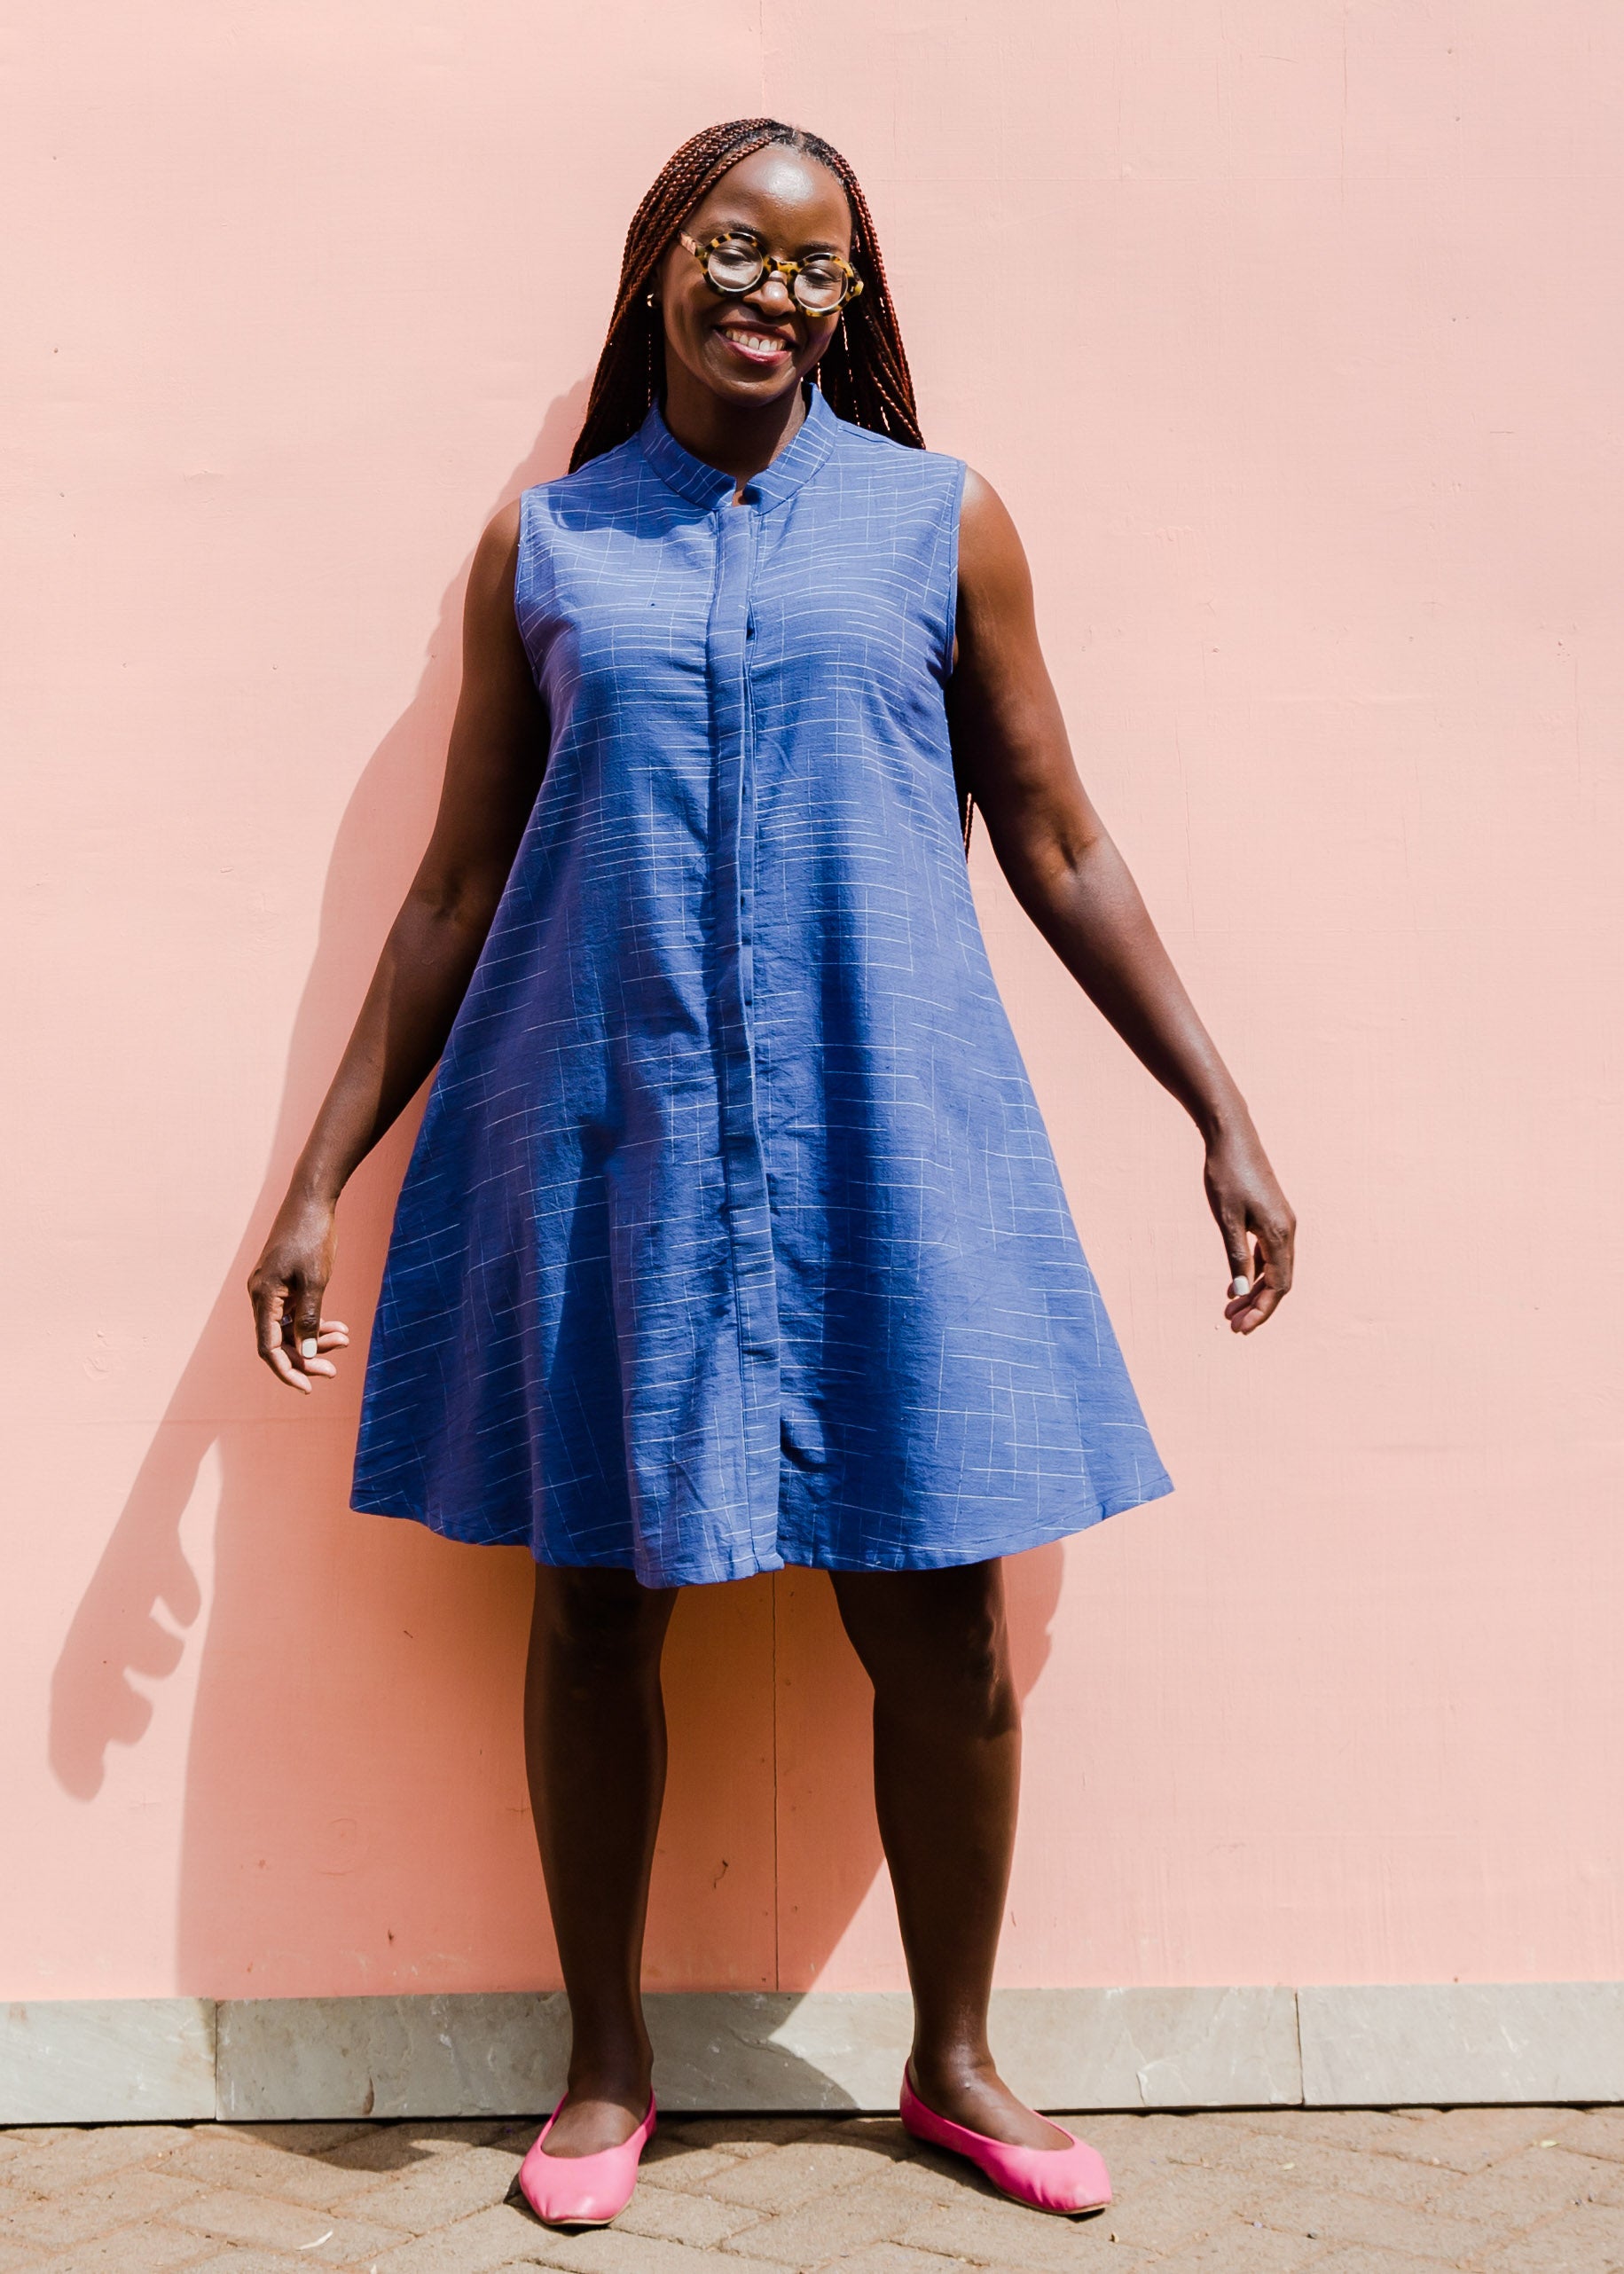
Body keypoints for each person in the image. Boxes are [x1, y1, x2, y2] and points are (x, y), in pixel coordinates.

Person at [247, 115, 1295, 2227]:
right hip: (603, 1136)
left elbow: (1059, 837)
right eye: (736, 249)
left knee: (943, 1621)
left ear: (853, 299)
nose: (769, 294)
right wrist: (313, 1173)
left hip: (885, 1137)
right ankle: (605, 2066)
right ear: (662, 264)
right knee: (593, 1604)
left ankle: (956, 2056)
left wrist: (1219, 1106)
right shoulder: (546, 545)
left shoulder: (939, 524)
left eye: (814, 268)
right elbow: (457, 886)